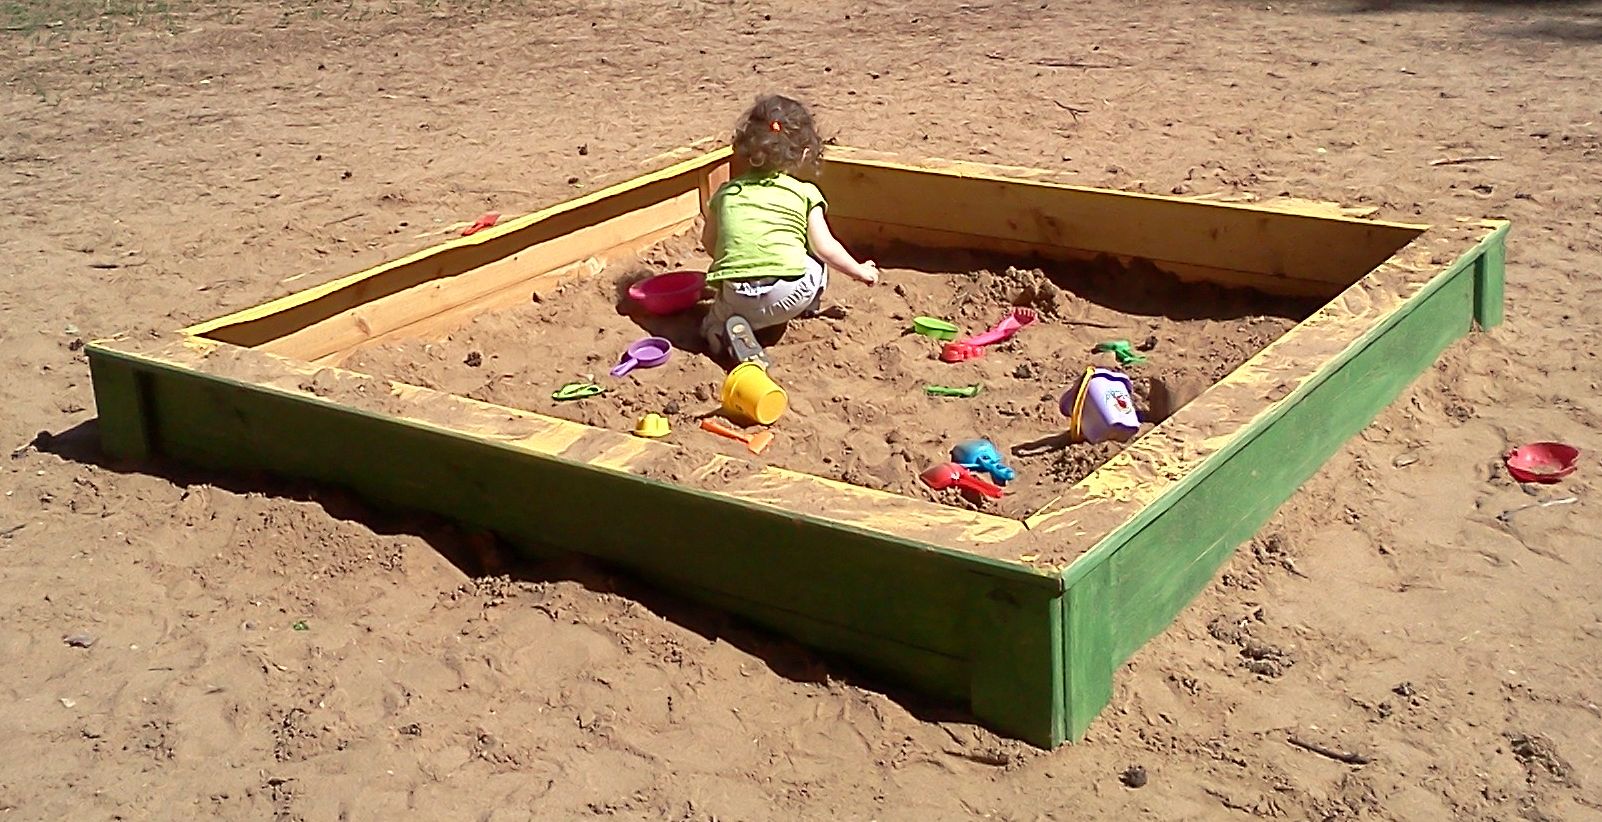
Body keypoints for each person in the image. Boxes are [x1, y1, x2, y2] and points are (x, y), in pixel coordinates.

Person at [699, 94, 879, 362]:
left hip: (739, 297)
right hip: (789, 294)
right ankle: (808, 309)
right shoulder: (804, 193)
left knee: (716, 314)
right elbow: (826, 248)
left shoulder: (726, 193)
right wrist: (860, 271)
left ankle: (718, 329)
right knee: (814, 258)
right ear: (806, 152)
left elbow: (709, 243)